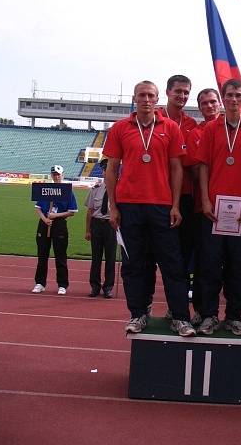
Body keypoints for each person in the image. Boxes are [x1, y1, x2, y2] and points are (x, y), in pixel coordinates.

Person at [103, 80, 195, 337]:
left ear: (157, 100)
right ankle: (138, 314)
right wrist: (113, 207)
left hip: (161, 205)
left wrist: (176, 204)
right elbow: (111, 170)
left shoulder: (171, 128)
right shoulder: (120, 128)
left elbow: (177, 168)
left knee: (172, 264)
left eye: (150, 96)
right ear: (134, 98)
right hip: (130, 206)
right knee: (135, 265)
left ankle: (180, 317)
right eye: (141, 95)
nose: (146, 99)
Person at [196, 79, 241, 336]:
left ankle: (234, 316)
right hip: (214, 211)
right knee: (210, 265)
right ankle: (209, 315)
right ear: (223, 99)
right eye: (229, 95)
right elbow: (203, 167)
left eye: (238, 95)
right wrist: (206, 200)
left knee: (240, 267)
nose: (233, 99)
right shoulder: (211, 129)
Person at [183, 87, 222, 324]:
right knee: (203, 262)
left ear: (220, 103)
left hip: (233, 207)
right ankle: (202, 309)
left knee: (228, 263)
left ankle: (227, 314)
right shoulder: (195, 133)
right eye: (204, 103)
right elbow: (196, 170)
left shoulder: (235, 127)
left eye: (212, 101)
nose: (209, 106)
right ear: (200, 107)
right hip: (202, 207)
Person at [160, 75, 198, 297]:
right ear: (167, 92)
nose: (182, 96)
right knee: (152, 252)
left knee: (181, 252)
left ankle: (178, 300)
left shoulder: (192, 125)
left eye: (186, 92)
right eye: (178, 91)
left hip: (183, 195)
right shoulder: (154, 118)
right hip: (156, 195)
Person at [32, 165, 78, 295]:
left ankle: (62, 285)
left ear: (63, 174)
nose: (56, 176)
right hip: (44, 223)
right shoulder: (45, 190)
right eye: (54, 174)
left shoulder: (68, 191)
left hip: (59, 225)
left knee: (60, 256)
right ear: (51, 175)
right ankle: (40, 283)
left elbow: (72, 212)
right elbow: (38, 207)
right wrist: (45, 219)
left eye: (58, 174)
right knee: (42, 255)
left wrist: (55, 216)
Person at [84, 157, 117, 298]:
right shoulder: (95, 189)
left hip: (111, 225)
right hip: (97, 225)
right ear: (103, 172)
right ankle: (95, 286)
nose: (106, 172)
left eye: (109, 169)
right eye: (105, 170)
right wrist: (87, 230)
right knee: (96, 257)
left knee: (110, 257)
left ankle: (108, 287)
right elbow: (90, 211)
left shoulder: (118, 189)